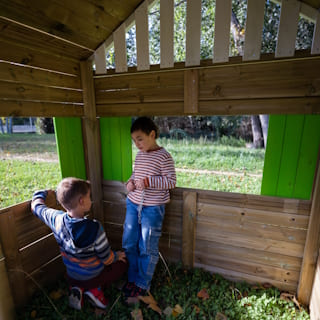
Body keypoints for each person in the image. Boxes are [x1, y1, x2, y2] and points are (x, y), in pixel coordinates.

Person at [31, 177, 127, 311]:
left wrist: (40, 193)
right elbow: (106, 259)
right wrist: (117, 256)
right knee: (122, 265)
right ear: (82, 201)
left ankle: (77, 288)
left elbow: (36, 207)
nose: (91, 199)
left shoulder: (56, 219)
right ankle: (94, 291)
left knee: (80, 275)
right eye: (89, 196)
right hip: (93, 277)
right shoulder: (95, 228)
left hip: (72, 275)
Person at [122, 117, 176, 298]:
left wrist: (148, 182)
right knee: (129, 242)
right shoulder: (139, 155)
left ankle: (142, 283)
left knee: (147, 245)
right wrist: (130, 183)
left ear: (152, 134)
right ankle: (132, 277)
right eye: (134, 140)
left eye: (140, 138)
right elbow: (135, 174)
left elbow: (171, 181)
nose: (137, 144)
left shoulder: (164, 157)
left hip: (152, 208)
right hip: (133, 204)